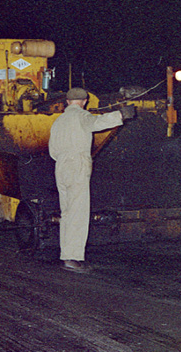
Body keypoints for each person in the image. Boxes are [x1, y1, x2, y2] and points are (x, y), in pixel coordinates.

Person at [48, 87, 133, 273]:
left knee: (68, 212)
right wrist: (121, 114)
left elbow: (52, 150)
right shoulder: (81, 115)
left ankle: (66, 254)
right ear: (85, 101)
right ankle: (73, 258)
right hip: (77, 163)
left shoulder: (58, 121)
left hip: (60, 166)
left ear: (67, 102)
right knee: (78, 212)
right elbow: (97, 122)